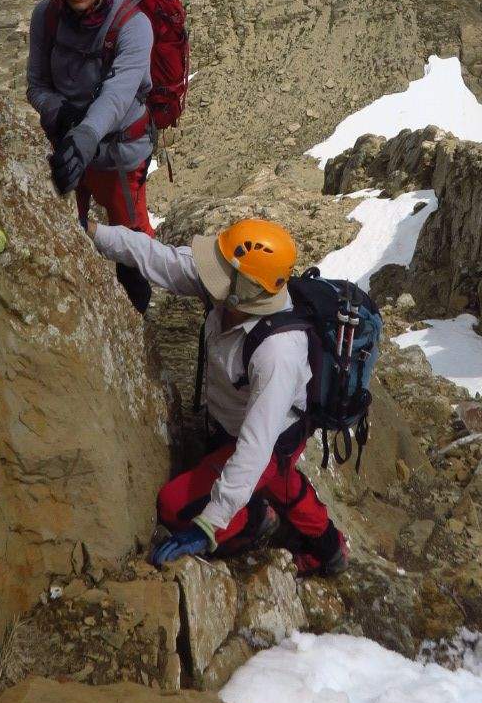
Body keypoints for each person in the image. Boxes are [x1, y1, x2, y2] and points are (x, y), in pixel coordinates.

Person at [90, 215, 349, 576]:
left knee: (175, 506)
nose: (212, 272)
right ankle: (329, 547)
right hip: (239, 427)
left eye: (223, 268)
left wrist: (210, 524)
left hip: (272, 438)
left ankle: (254, 520)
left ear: (247, 288)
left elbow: (255, 447)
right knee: (280, 479)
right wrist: (96, 233)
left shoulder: (278, 353)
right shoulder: (232, 292)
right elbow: (162, 260)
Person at [27, 0, 155, 312]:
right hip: (68, 142)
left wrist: (85, 134)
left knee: (132, 243)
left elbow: (119, 94)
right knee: (68, 229)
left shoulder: (134, 26)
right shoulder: (46, 16)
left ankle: (136, 318)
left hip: (118, 154)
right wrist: (61, 114)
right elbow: (36, 85)